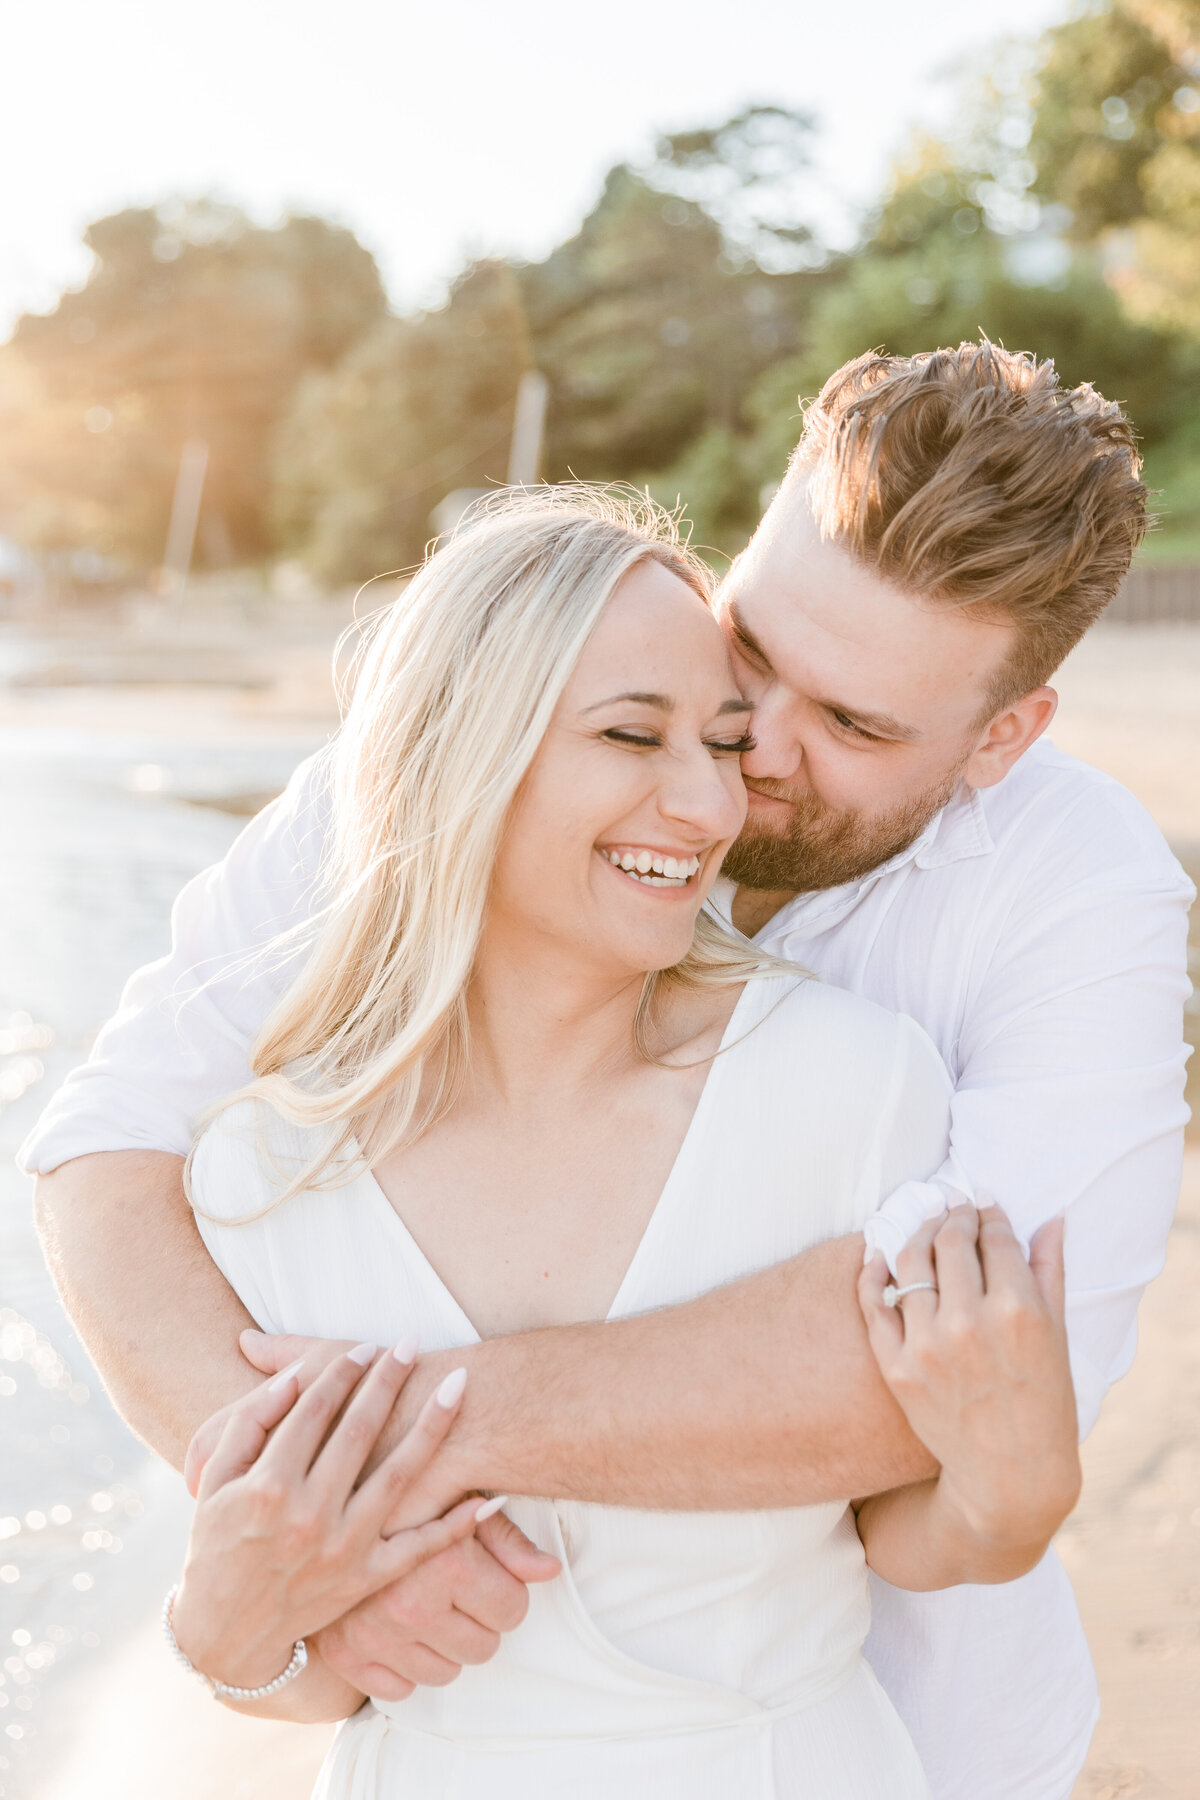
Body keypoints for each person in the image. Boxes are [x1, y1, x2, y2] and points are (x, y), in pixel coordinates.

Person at [26, 343, 1193, 1800]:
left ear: (1000, 739)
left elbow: (947, 1381)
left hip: (906, 1735)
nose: (744, 762)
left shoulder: (1076, 898)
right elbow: (108, 1148)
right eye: (755, 653)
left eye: (855, 726)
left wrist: (398, 1447)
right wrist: (305, 1532)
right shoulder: (435, 777)